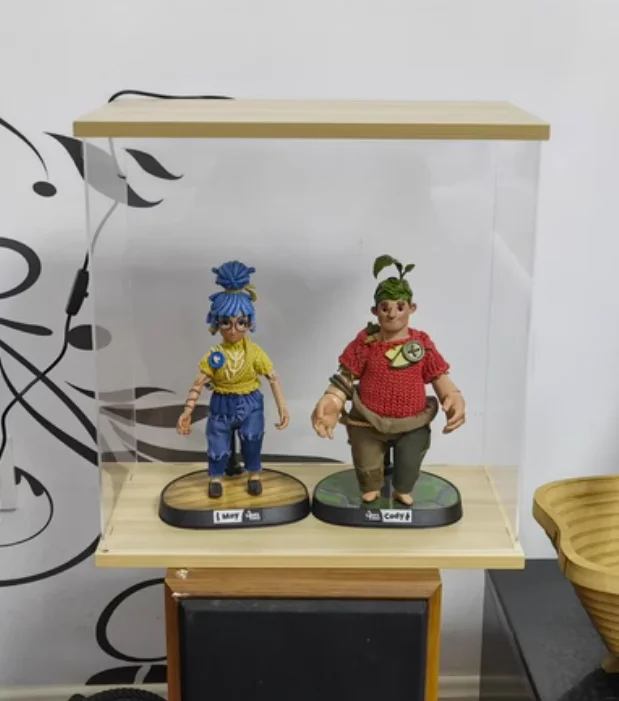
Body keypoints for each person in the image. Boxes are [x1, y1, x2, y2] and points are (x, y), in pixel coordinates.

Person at [311, 254, 465, 505]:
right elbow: (346, 375)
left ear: (411, 308)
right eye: (385, 308)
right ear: (375, 311)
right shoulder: (365, 343)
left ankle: (403, 488)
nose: (392, 314)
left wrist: (452, 396)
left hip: (412, 422)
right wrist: (333, 399)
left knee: (410, 460)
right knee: (367, 460)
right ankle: (371, 486)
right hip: (368, 420)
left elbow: (438, 374)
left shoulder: (421, 344)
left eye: (400, 307)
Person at [177, 260, 290, 498]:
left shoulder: (255, 353)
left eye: (240, 323)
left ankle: (254, 474)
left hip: (250, 403)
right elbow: (198, 383)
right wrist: (187, 411)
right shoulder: (215, 355)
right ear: (217, 322)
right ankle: (216, 477)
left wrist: (282, 407)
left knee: (252, 438)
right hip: (221, 404)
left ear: (249, 322)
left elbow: (272, 377)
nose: (233, 329)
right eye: (226, 322)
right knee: (217, 442)